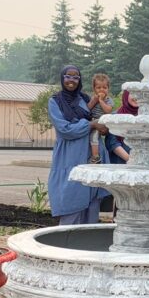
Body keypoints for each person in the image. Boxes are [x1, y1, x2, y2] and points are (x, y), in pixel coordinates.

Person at [48, 65, 108, 224]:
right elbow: (65, 130)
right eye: (68, 76)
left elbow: (99, 118)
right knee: (71, 199)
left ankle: (88, 244)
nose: (71, 80)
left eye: (76, 77)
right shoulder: (55, 101)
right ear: (62, 78)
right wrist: (91, 125)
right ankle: (67, 244)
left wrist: (103, 127)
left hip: (91, 157)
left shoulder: (86, 99)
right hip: (69, 156)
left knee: (91, 201)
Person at [87, 74, 114, 164]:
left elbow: (108, 110)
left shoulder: (108, 100)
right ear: (94, 89)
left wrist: (101, 101)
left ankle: (96, 157)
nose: (102, 90)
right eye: (99, 88)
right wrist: (94, 101)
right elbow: (87, 109)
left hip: (102, 122)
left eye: (104, 87)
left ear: (108, 88)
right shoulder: (93, 98)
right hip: (93, 120)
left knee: (93, 137)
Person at [105, 89, 136, 164]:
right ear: (125, 96)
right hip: (120, 164)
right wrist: (132, 161)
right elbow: (113, 143)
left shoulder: (147, 118)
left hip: (143, 165)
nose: (136, 97)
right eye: (132, 93)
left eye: (139, 94)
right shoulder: (115, 116)